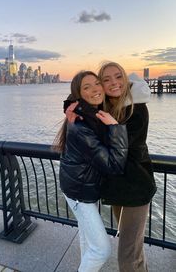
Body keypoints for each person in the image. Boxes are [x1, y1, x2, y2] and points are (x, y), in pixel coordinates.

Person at [65, 62, 157, 272]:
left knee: (127, 256)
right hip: (118, 191)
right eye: (106, 80)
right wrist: (73, 110)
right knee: (133, 249)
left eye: (118, 77)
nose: (114, 83)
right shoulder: (108, 108)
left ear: (125, 79)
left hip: (135, 189)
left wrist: (92, 127)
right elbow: (85, 102)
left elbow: (115, 151)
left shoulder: (137, 109)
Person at [54, 70, 128, 272]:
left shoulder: (88, 115)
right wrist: (116, 127)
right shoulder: (81, 125)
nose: (95, 89)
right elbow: (114, 165)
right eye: (87, 87)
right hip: (80, 193)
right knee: (101, 250)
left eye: (97, 84)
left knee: (88, 241)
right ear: (79, 94)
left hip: (83, 186)